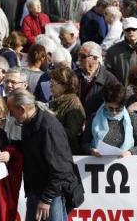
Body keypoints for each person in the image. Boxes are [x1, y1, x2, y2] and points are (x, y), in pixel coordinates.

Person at [7, 90, 84, 221]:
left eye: (12, 111)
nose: (11, 115)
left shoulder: (48, 128)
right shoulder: (30, 122)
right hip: (37, 191)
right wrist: (8, 148)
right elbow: (29, 147)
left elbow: (61, 170)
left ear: (22, 108)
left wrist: (47, 199)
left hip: (51, 195)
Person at [81, 82, 137, 157]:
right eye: (110, 109)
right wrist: (91, 151)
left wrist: (130, 153)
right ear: (105, 103)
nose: (114, 112)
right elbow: (84, 144)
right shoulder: (94, 118)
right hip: (99, 164)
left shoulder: (132, 118)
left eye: (118, 109)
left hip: (127, 164)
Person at [47, 66, 85, 155]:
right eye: (51, 81)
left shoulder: (74, 104)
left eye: (54, 82)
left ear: (65, 85)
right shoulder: (56, 101)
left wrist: (50, 121)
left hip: (66, 154)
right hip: (55, 151)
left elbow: (71, 133)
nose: (51, 85)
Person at [76, 41, 119, 117]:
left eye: (83, 56)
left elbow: (115, 106)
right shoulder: (73, 76)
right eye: (78, 55)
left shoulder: (110, 80)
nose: (79, 59)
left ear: (95, 58)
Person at [105, 17, 137, 84]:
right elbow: (108, 74)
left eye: (134, 29)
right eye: (128, 29)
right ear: (123, 30)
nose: (131, 32)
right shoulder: (112, 51)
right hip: (121, 91)